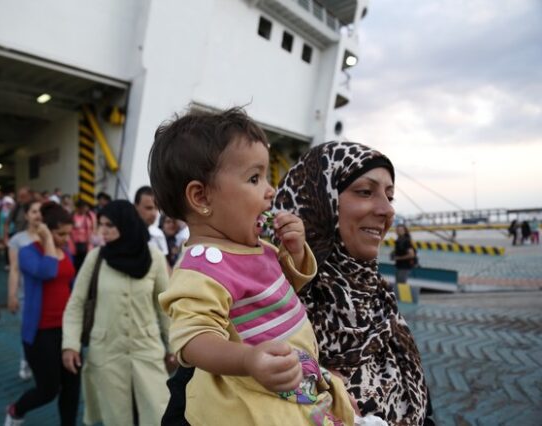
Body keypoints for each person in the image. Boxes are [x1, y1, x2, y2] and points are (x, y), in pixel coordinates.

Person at [149, 108, 355, 425]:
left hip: (298, 377)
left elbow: (278, 294)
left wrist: (296, 251)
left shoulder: (256, 248)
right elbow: (193, 340)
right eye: (255, 178)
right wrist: (248, 359)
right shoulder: (201, 269)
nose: (270, 190)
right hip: (258, 400)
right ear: (201, 197)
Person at [273, 141, 432, 425]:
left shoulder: (380, 301)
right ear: (321, 201)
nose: (387, 210)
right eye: (365, 192)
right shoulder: (263, 303)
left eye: (390, 196)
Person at [62, 200, 173, 426]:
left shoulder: (154, 259)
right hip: (107, 351)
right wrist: (70, 344)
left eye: (110, 225)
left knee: (158, 412)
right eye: (101, 224)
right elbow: (76, 304)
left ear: (126, 224)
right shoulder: (96, 259)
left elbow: (166, 308)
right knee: (117, 418)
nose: (103, 231)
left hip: (146, 349)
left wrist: (175, 346)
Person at [4, 202, 80, 426]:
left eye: (68, 233)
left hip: (67, 329)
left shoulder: (66, 252)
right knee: (48, 389)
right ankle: (16, 409)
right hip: (41, 331)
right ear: (45, 229)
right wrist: (47, 240)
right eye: (60, 233)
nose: (65, 239)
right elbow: (47, 271)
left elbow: (71, 284)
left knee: (72, 387)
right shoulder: (27, 253)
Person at [7, 200, 43, 380]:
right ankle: (25, 361)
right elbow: (14, 269)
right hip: (25, 294)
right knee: (28, 331)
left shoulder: (50, 237)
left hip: (45, 293)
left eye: (41, 211)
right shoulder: (17, 240)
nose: (38, 215)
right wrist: (12, 294)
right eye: (34, 211)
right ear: (27, 215)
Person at [135, 186, 170, 258]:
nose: (154, 213)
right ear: (136, 207)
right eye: (149, 208)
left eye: (156, 208)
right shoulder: (123, 231)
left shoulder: (158, 235)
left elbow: (164, 265)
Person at [70, 199, 97, 272]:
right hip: (74, 245)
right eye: (81, 208)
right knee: (75, 265)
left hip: (87, 244)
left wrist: (91, 243)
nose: (84, 209)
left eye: (85, 207)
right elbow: (69, 231)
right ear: (77, 208)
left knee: (86, 265)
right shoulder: (72, 216)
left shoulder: (91, 216)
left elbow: (94, 229)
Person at [392, 224, 416, 288]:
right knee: (398, 284)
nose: (399, 231)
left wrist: (398, 258)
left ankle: (404, 298)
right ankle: (398, 297)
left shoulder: (406, 241)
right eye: (397, 230)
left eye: (401, 230)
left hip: (405, 267)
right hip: (400, 266)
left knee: (401, 285)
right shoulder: (399, 240)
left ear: (405, 231)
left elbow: (412, 254)